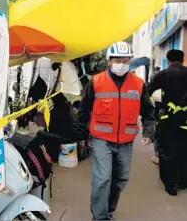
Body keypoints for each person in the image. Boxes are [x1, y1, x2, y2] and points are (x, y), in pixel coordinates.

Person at [75, 41, 155, 220]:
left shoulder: (138, 84)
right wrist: (82, 133)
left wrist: (149, 133)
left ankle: (108, 208)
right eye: (117, 59)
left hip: (126, 141)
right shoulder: (96, 82)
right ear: (109, 60)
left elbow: (149, 112)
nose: (121, 64)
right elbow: (83, 109)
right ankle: (100, 216)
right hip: (102, 140)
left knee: (121, 179)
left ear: (130, 61)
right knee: (103, 178)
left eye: (125, 60)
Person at [147, 49, 187, 196]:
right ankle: (183, 181)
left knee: (166, 150)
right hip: (185, 120)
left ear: (168, 60)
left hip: (168, 119)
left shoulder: (162, 74)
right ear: (182, 59)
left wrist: (154, 110)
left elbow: (148, 92)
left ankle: (171, 186)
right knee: (184, 149)